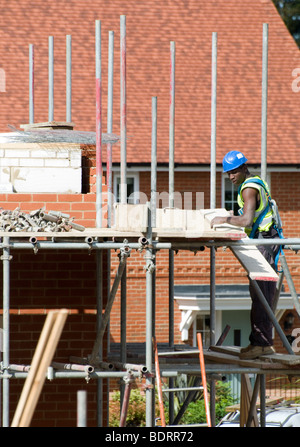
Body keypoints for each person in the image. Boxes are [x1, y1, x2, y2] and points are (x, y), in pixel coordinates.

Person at [210, 150, 280, 360]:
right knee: (263, 293)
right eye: (228, 173)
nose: (230, 176)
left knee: (260, 294)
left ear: (243, 169)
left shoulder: (248, 189)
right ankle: (263, 343)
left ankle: (261, 344)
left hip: (263, 243)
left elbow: (247, 221)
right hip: (265, 241)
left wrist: (224, 220)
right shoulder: (255, 182)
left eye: (233, 172)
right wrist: (234, 216)